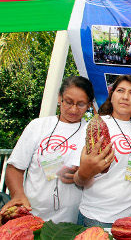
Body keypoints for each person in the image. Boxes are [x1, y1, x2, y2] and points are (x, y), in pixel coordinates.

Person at [1, 76, 94, 224]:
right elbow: (14, 167)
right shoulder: (38, 126)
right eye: (68, 102)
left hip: (73, 220)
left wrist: (82, 175)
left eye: (81, 104)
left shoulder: (91, 132)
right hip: (32, 214)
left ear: (89, 105)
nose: (73, 109)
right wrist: (17, 194)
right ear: (59, 98)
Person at [72, 75, 131, 228]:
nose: (125, 97)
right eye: (120, 90)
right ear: (112, 96)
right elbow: (78, 178)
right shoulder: (97, 125)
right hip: (98, 217)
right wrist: (86, 172)